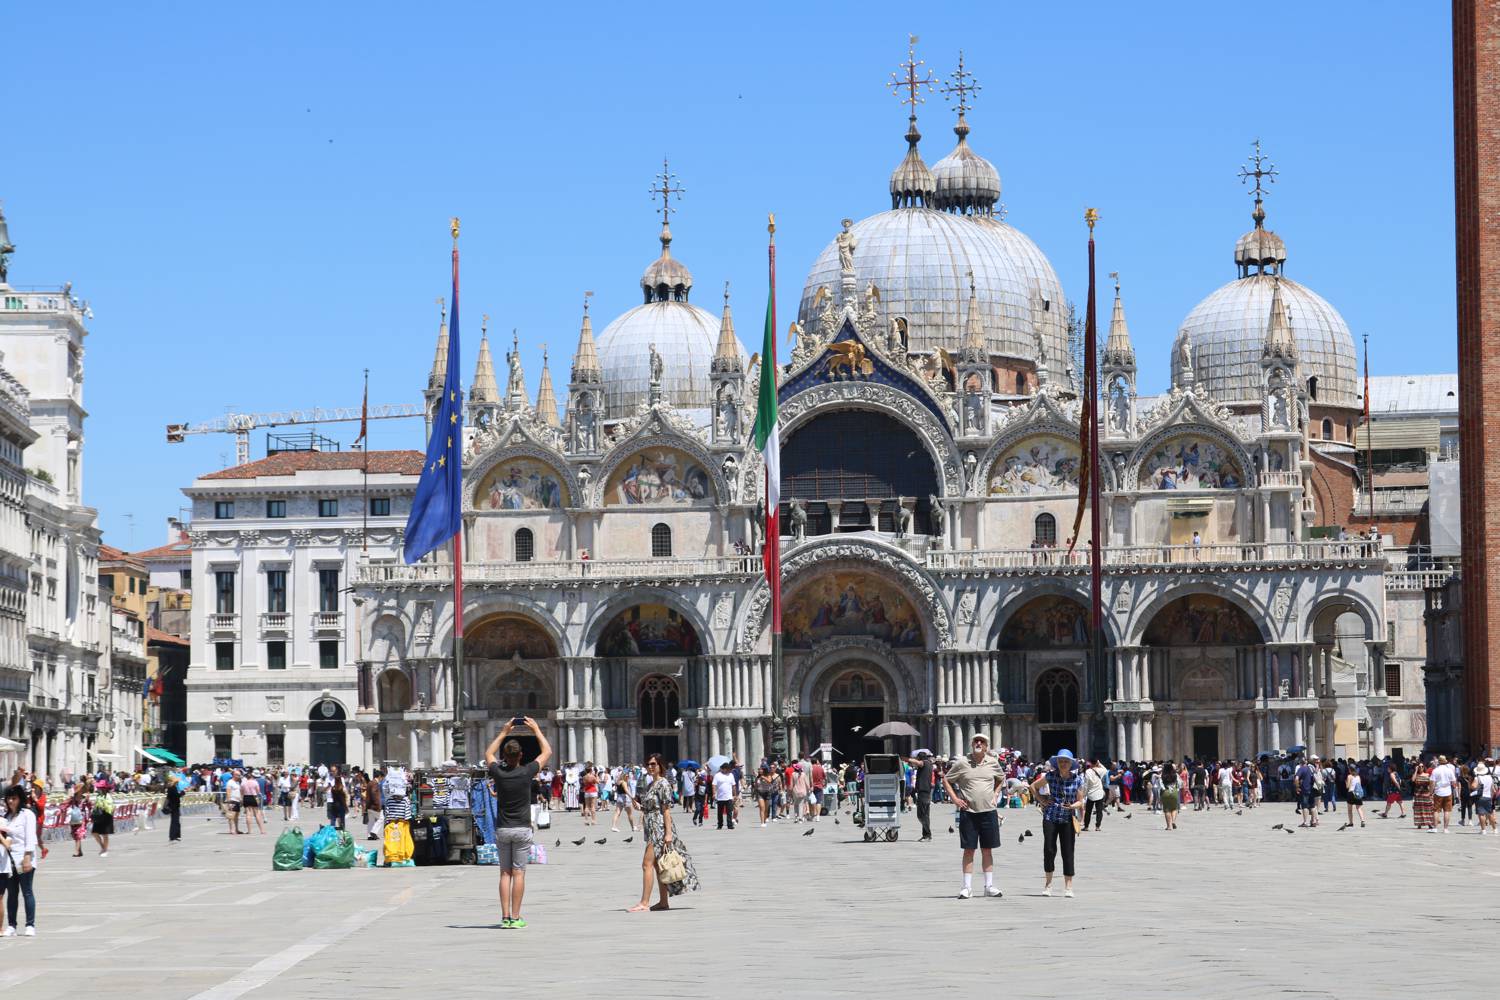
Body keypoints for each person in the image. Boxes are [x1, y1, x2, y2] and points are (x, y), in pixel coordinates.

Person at [484, 717, 552, 930]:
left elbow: (488, 754)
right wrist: (537, 730)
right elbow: (547, 752)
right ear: (521, 755)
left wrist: (504, 731)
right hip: (522, 829)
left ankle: (504, 917)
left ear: (504, 755)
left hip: (503, 829)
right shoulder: (527, 772)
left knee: (505, 873)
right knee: (519, 873)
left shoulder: (498, 772)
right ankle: (516, 917)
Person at [629, 753, 699, 912]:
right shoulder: (650, 785)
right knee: (657, 866)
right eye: (648, 764)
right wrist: (638, 806)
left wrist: (668, 834)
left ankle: (644, 903)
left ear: (660, 766)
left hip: (660, 828)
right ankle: (663, 902)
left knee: (646, 864)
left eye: (654, 764)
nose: (650, 767)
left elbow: (666, 810)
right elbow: (649, 808)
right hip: (651, 827)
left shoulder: (663, 784)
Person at [941, 733, 1005, 899]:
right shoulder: (962, 763)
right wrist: (955, 799)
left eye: (981, 741)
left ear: (986, 746)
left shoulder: (993, 762)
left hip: (989, 811)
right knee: (969, 850)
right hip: (969, 812)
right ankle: (967, 887)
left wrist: (996, 793)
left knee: (987, 850)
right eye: (976, 741)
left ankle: (989, 886)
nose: (978, 743)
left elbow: (1001, 778)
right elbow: (946, 780)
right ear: (971, 744)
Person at [1030, 750, 1085, 897]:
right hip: (1050, 816)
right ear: (1057, 763)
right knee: (1049, 849)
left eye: (1066, 761)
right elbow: (1033, 787)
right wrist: (1042, 800)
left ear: (1071, 764)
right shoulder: (1050, 776)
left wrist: (1073, 806)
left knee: (1068, 851)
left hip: (1067, 818)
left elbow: (1081, 800)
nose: (1063, 764)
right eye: (1061, 761)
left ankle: (1068, 886)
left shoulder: (1078, 779)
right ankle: (1048, 885)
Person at [0, 785, 36, 935]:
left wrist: (27, 857)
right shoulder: (6, 816)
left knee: (27, 891)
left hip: (23, 858)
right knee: (12, 893)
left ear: (20, 799)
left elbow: (30, 836)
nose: (11, 801)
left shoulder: (27, 814)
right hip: (9, 861)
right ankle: (12, 925)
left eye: (14, 798)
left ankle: (30, 925)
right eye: (9, 798)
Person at [907, 751, 934, 841]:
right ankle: (925, 835)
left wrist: (907, 759)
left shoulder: (925, 763)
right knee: (925, 814)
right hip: (925, 791)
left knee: (922, 815)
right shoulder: (929, 764)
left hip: (924, 792)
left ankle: (928, 835)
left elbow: (919, 763)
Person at [1429, 755, 1458, 833]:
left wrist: (1431, 792)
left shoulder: (1435, 770)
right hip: (1448, 792)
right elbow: (1454, 783)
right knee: (1447, 811)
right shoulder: (1449, 770)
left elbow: (1432, 783)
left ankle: (1435, 828)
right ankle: (1445, 828)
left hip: (1438, 792)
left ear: (1439, 762)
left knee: (1436, 811)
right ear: (1445, 762)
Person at [610, 767, 637, 834]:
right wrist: (632, 797)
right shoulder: (624, 782)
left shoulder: (618, 782)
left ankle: (614, 826)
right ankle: (633, 827)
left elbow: (616, 789)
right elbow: (626, 790)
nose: (628, 777)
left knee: (617, 813)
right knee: (630, 814)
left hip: (619, 797)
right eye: (627, 776)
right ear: (625, 776)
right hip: (625, 798)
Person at [1294, 757, 1319, 828]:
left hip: (1304, 790)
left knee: (1305, 806)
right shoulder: (1310, 769)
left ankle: (1305, 822)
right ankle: (1314, 821)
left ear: (1300, 763)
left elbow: (1296, 778)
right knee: (1313, 806)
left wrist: (1297, 787)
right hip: (1311, 790)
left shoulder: (1301, 769)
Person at [92, 785, 116, 856]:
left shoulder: (108, 796)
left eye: (99, 788)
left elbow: (111, 806)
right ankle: (103, 847)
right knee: (94, 833)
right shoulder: (98, 796)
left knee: (105, 834)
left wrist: (105, 806)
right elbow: (96, 805)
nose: (98, 789)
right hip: (98, 815)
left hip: (106, 815)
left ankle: (105, 850)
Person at [1474, 759, 1496, 835]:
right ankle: (1494, 829)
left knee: (1481, 814)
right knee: (1490, 813)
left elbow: (1473, 786)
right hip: (1488, 797)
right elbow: (1493, 789)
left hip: (1480, 797)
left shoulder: (1477, 778)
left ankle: (1483, 830)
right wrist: (1492, 797)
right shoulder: (1490, 778)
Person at [712, 762, 737, 830]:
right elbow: (714, 785)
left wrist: (734, 795)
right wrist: (714, 793)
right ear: (724, 769)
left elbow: (733, 785)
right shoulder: (717, 775)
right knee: (720, 812)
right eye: (728, 769)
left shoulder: (731, 775)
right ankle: (720, 824)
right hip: (720, 797)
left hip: (729, 797)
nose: (729, 770)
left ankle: (730, 825)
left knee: (729, 812)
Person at [241, 769, 266, 835]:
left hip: (246, 797)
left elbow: (241, 791)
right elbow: (258, 791)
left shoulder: (243, 783)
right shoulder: (255, 782)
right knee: (257, 814)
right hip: (254, 797)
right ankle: (262, 830)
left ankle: (249, 830)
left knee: (248, 814)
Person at [65, 786, 87, 857]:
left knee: (78, 834)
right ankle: (80, 851)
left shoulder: (84, 798)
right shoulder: (72, 799)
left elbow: (88, 806)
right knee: (75, 834)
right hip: (74, 818)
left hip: (80, 819)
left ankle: (76, 851)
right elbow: (64, 804)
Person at [1412, 762, 1435, 830]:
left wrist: (1431, 793)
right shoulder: (1416, 775)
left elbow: (1431, 784)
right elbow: (1413, 780)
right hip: (1418, 795)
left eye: (1422, 766)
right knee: (1419, 809)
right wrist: (1416, 770)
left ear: (1424, 767)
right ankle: (1419, 823)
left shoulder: (1427, 774)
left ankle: (1429, 823)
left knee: (1428, 809)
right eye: (1419, 766)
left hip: (1426, 794)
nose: (1420, 768)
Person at [327, 766, 348, 831]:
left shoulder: (333, 789)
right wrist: (346, 807)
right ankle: (342, 833)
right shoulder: (340, 790)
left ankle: (332, 832)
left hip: (334, 805)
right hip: (340, 805)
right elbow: (343, 797)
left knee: (333, 820)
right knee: (341, 821)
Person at [365, 770, 384, 841]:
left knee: (371, 821)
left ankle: (369, 835)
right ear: (379, 776)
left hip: (369, 805)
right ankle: (374, 832)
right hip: (374, 805)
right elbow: (374, 794)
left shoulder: (370, 782)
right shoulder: (375, 783)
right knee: (381, 818)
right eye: (382, 778)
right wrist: (377, 804)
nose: (382, 779)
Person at [1159, 765, 1180, 831]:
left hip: (1166, 791)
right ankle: (1173, 821)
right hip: (1174, 791)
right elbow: (1180, 783)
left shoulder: (1162, 775)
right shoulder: (1175, 775)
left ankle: (1169, 826)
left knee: (1167, 809)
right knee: (1174, 808)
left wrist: (1164, 789)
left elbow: (1160, 784)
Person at [164, 775, 183, 843]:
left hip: (173, 806)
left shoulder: (171, 788)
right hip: (174, 807)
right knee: (175, 821)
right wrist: (182, 793)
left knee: (175, 821)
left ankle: (175, 835)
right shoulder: (172, 788)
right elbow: (176, 796)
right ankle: (174, 836)